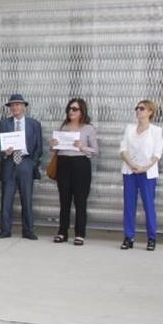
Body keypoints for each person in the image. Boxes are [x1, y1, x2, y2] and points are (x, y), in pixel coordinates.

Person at [50, 98, 98, 246]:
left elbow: (95, 150)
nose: (71, 111)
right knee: (64, 200)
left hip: (80, 165)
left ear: (82, 111)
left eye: (75, 109)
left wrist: (83, 147)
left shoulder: (88, 128)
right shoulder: (63, 127)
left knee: (80, 201)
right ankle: (62, 232)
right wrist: (53, 145)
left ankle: (80, 234)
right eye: (69, 109)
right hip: (63, 164)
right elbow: (55, 150)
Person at [119, 99, 163, 251]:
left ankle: (151, 238)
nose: (138, 111)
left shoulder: (156, 130)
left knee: (148, 205)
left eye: (142, 108)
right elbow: (123, 148)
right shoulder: (129, 128)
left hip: (147, 173)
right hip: (130, 171)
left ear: (150, 112)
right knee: (129, 205)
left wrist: (144, 167)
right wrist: (132, 164)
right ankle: (128, 237)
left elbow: (157, 153)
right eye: (137, 108)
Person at [0, 94, 43, 240]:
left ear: (24, 107)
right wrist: (5, 151)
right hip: (9, 163)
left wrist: (32, 163)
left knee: (27, 199)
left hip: (26, 163)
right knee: (6, 199)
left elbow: (39, 147)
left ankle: (28, 230)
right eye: (12, 105)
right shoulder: (4, 123)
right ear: (10, 108)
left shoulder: (34, 124)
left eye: (18, 104)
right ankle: (5, 230)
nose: (15, 107)